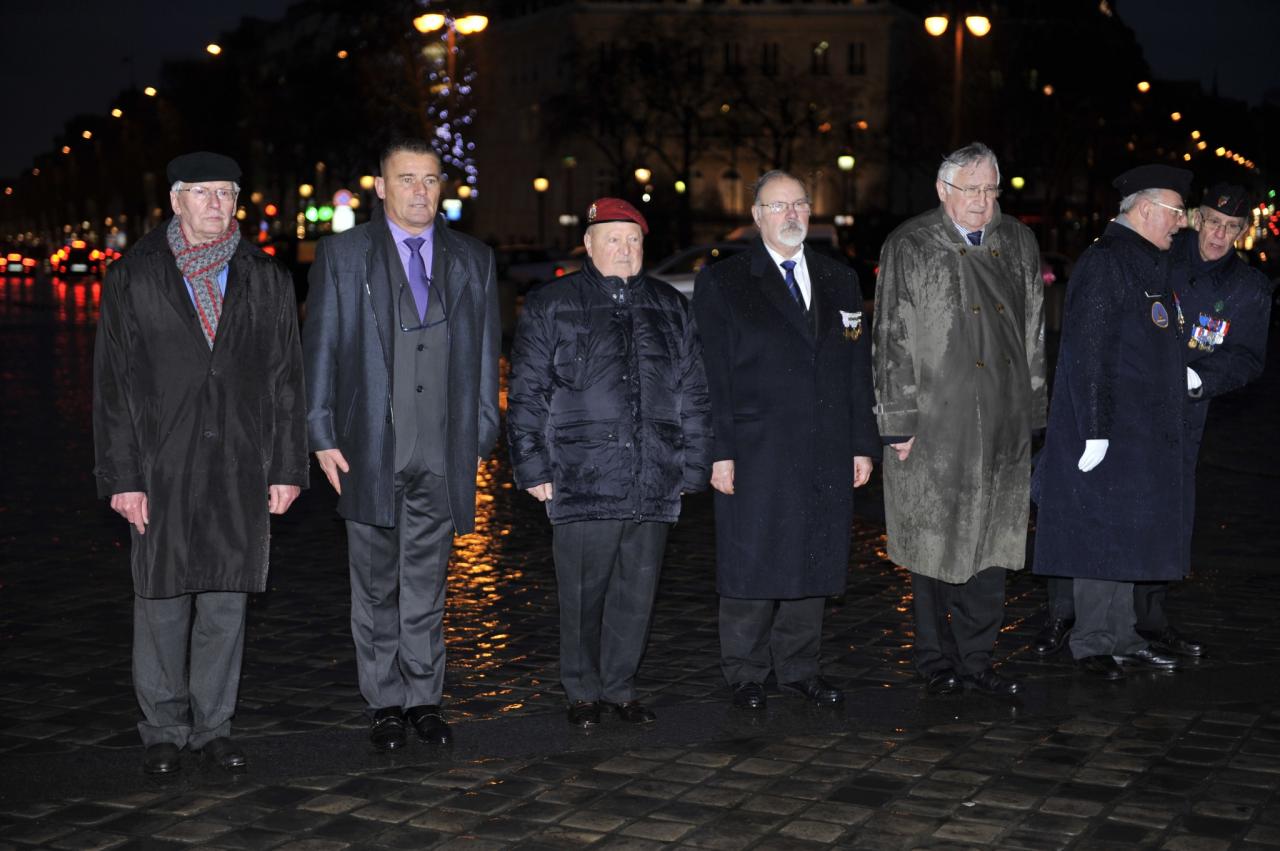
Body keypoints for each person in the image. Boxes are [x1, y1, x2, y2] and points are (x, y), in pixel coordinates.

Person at [93, 151, 308, 774]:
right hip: (162, 461)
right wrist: (123, 478)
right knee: (160, 597)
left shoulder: (263, 275)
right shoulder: (135, 275)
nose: (217, 204)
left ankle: (215, 725)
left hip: (241, 460)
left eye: (227, 193)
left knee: (226, 598)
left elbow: (286, 378)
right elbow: (112, 385)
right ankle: (163, 729)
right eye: (203, 193)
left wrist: (286, 467)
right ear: (176, 201)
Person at [302, 139, 500, 750]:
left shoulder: (474, 258)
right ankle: (384, 702)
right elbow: (323, 348)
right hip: (369, 447)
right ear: (380, 186)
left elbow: (487, 351)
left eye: (430, 179)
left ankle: (424, 698)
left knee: (427, 582)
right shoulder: (342, 254)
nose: (419, 190)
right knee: (374, 583)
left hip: (442, 450)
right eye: (405, 178)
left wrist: (483, 431)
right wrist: (320, 431)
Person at [1035, 182, 1275, 659]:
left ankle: (1142, 626)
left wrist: (1200, 379)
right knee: (1095, 517)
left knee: (1157, 521)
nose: (1217, 235)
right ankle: (1067, 621)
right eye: (1211, 221)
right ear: (1195, 219)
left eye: (1231, 228)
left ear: (1243, 231)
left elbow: (1247, 358)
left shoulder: (1247, 288)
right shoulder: (1159, 257)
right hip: (1124, 409)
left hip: (1182, 416)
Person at [508, 198, 712, 728]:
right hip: (581, 476)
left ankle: (621, 687)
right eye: (614, 239)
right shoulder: (553, 303)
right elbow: (527, 389)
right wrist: (532, 466)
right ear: (590, 245)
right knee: (582, 591)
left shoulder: (670, 305)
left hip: (653, 475)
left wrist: (693, 464)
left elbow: (694, 389)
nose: (625, 250)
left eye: (634, 241)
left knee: (636, 592)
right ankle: (581, 690)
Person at [693, 170, 879, 711]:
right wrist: (718, 450)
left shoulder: (838, 278)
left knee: (814, 555)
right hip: (756, 449)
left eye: (799, 204)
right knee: (752, 559)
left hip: (825, 445)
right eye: (778, 206)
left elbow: (855, 369)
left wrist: (861, 443)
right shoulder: (726, 281)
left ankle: (799, 668)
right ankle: (746, 672)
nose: (791, 214)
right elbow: (712, 374)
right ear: (756, 216)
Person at [872, 142, 1046, 698]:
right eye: (971, 189)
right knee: (931, 540)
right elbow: (891, 337)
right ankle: (933, 657)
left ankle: (977, 657)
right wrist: (897, 421)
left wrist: (1034, 411)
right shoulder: (911, 244)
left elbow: (1035, 332)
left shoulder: (1017, 240)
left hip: (1002, 419)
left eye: (992, 188)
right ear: (944, 191)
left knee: (994, 541)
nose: (983, 200)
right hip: (934, 424)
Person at [1033, 164, 1193, 679]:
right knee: (1098, 534)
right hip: (1110, 430)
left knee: (1127, 534)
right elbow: (1089, 354)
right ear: (1145, 210)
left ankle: (1123, 634)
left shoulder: (1146, 261)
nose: (1182, 223)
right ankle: (1093, 640)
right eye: (1175, 212)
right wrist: (1095, 429)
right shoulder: (1107, 263)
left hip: (1139, 433)